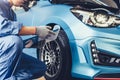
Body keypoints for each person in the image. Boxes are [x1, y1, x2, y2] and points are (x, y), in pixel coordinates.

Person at [0, 0, 57, 80]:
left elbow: (8, 41)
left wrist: (30, 42)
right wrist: (36, 30)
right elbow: (3, 27)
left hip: (4, 48)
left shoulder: (12, 14)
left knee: (39, 67)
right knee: (14, 41)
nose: (26, 1)